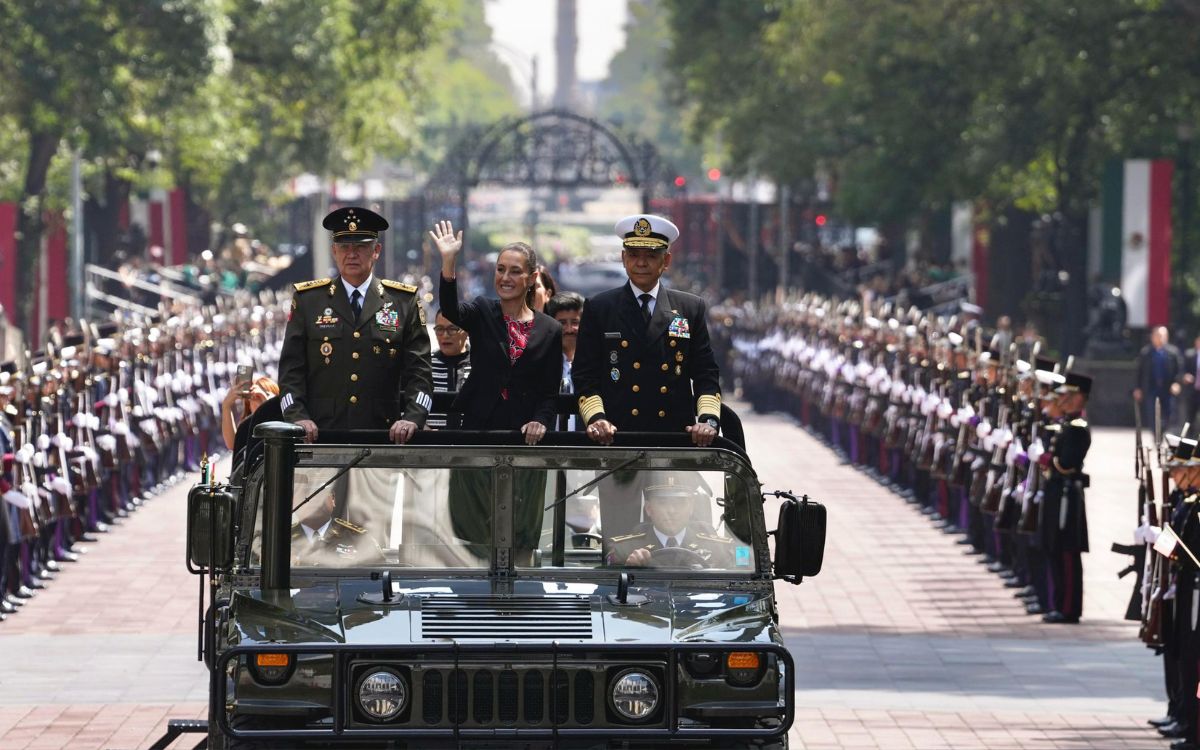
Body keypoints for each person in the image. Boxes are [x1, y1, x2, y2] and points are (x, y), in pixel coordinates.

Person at [277, 206, 433, 444]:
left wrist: (413, 417)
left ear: (376, 251)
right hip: (320, 436)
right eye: (344, 247)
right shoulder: (309, 300)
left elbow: (419, 372)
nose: (351, 254)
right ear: (334, 251)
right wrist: (297, 417)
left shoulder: (403, 301)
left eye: (360, 246)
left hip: (384, 436)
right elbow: (291, 371)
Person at [573, 214, 721, 447]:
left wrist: (708, 420)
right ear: (623, 258)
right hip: (615, 436)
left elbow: (706, 374)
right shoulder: (600, 308)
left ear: (667, 260)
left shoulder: (690, 308)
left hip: (674, 438)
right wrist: (596, 418)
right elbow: (585, 375)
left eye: (651, 256)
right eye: (633, 255)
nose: (641, 263)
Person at [432, 220, 562, 443]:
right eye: (500, 270)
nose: (505, 278)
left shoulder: (550, 328)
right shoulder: (482, 310)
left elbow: (549, 393)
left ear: (531, 279)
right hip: (479, 430)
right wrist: (448, 262)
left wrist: (540, 421)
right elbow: (451, 310)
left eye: (515, 272)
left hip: (525, 436)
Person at [1039, 371, 1092, 624]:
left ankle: (1069, 608)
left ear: (1079, 398)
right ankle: (1058, 602)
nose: (1063, 400)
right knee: (1055, 548)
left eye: (1068, 396)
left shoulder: (1078, 428)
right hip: (1056, 492)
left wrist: (1046, 459)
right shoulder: (1068, 425)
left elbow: (1067, 463)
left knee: (1067, 553)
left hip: (1067, 496)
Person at [604, 473, 734, 568]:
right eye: (663, 502)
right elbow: (611, 589)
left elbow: (740, 582)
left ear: (691, 508)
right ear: (649, 509)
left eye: (680, 502)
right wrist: (629, 568)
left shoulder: (717, 548)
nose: (672, 510)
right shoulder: (625, 550)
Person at [545, 291, 585, 431]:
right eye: (562, 323)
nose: (569, 329)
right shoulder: (542, 363)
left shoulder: (593, 366)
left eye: (575, 322)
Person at [427, 312, 471, 429]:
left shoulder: (480, 364)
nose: (445, 335)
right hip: (430, 443)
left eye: (452, 329)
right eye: (439, 329)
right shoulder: (424, 365)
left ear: (467, 331)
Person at [1134, 326, 1183, 429]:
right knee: (1152, 414)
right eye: (1157, 335)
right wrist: (1137, 388)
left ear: (1167, 337)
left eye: (1162, 336)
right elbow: (1139, 372)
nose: (1159, 338)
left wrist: (1177, 383)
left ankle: (1163, 432)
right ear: (1152, 337)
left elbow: (1179, 371)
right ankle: (1156, 436)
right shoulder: (1145, 353)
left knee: (1168, 414)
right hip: (1151, 388)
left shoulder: (1173, 352)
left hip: (1167, 389)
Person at [220, 375, 279, 451]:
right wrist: (226, 406)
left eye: (266, 394)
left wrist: (267, 402)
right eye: (254, 397)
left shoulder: (286, 416)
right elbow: (234, 445)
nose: (258, 401)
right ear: (249, 407)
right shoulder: (249, 429)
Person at [1181, 334, 1200, 430]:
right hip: (1192, 391)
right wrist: (1185, 376)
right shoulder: (1189, 354)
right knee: (1190, 417)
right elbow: (1182, 370)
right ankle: (1190, 439)